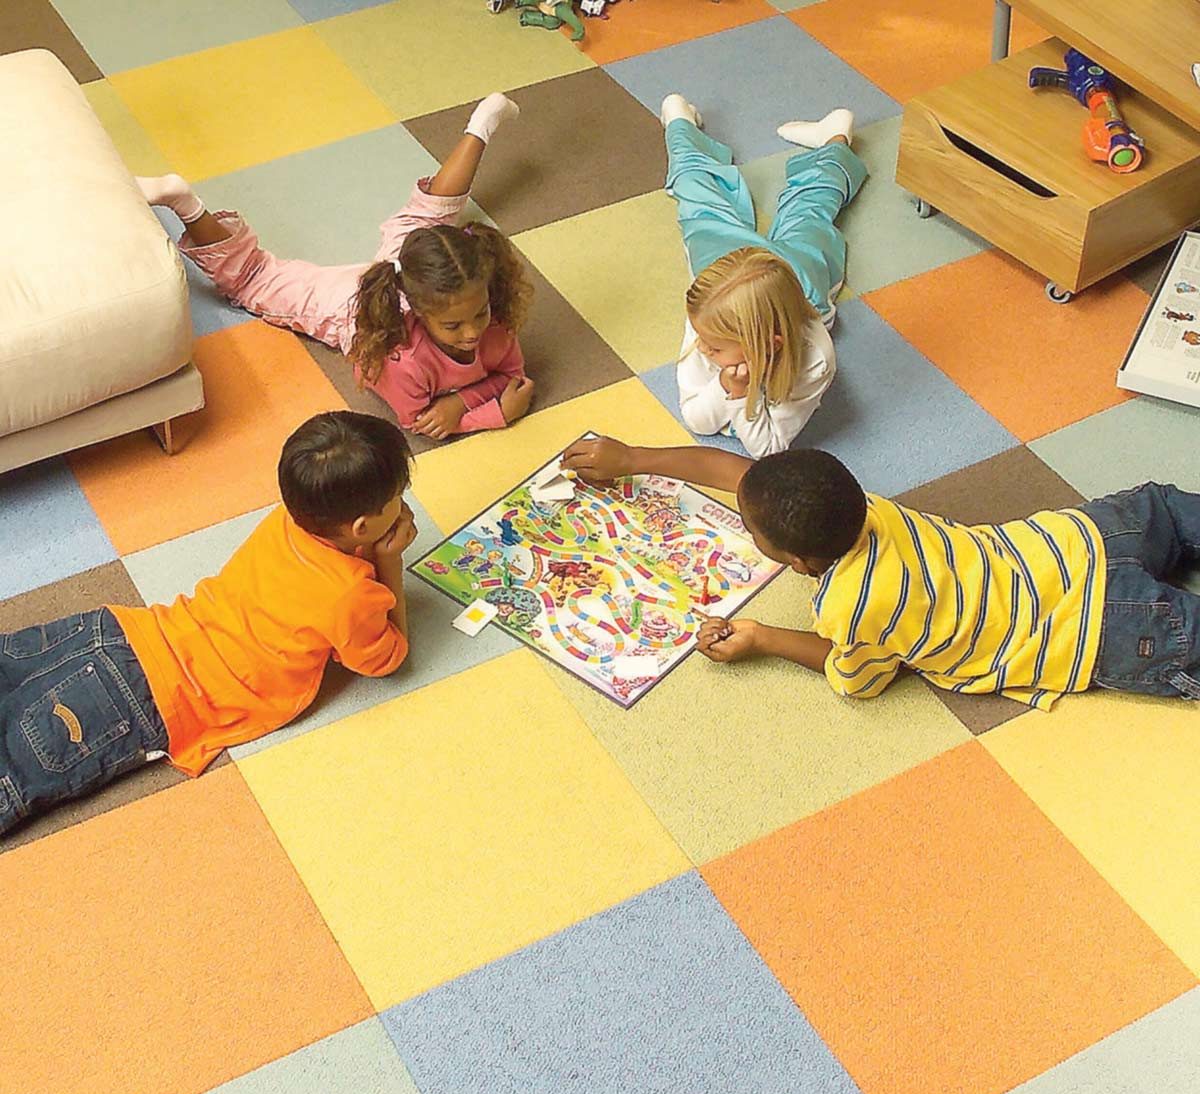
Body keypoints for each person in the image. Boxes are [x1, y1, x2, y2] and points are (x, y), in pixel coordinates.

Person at [0, 412, 416, 836]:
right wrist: (389, 560)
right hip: (147, 699)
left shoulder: (287, 521)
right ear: (362, 526)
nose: (404, 503)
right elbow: (388, 658)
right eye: (398, 497)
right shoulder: (351, 594)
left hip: (120, 632)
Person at [562, 436, 1200, 705]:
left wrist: (761, 637)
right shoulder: (866, 507)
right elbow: (742, 478)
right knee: (1166, 508)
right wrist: (634, 457)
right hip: (1080, 542)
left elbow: (860, 678)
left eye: (749, 529)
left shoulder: (850, 604)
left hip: (1099, 629)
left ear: (797, 563)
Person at [137, 94, 534, 440]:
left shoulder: (492, 320)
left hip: (407, 266)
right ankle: (182, 201)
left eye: (478, 313)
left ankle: (482, 123)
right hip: (350, 305)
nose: (472, 333)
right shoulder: (401, 359)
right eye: (453, 326)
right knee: (255, 277)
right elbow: (417, 421)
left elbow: (511, 373)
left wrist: (460, 401)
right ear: (420, 310)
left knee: (427, 216)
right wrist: (489, 415)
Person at [661, 94, 867, 458]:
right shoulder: (708, 320)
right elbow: (696, 416)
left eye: (714, 347)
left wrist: (739, 394)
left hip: (802, 276)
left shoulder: (815, 358)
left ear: (769, 343)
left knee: (811, 209)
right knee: (698, 201)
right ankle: (679, 122)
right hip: (728, 261)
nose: (702, 348)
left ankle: (836, 137)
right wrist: (728, 383)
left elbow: (768, 448)